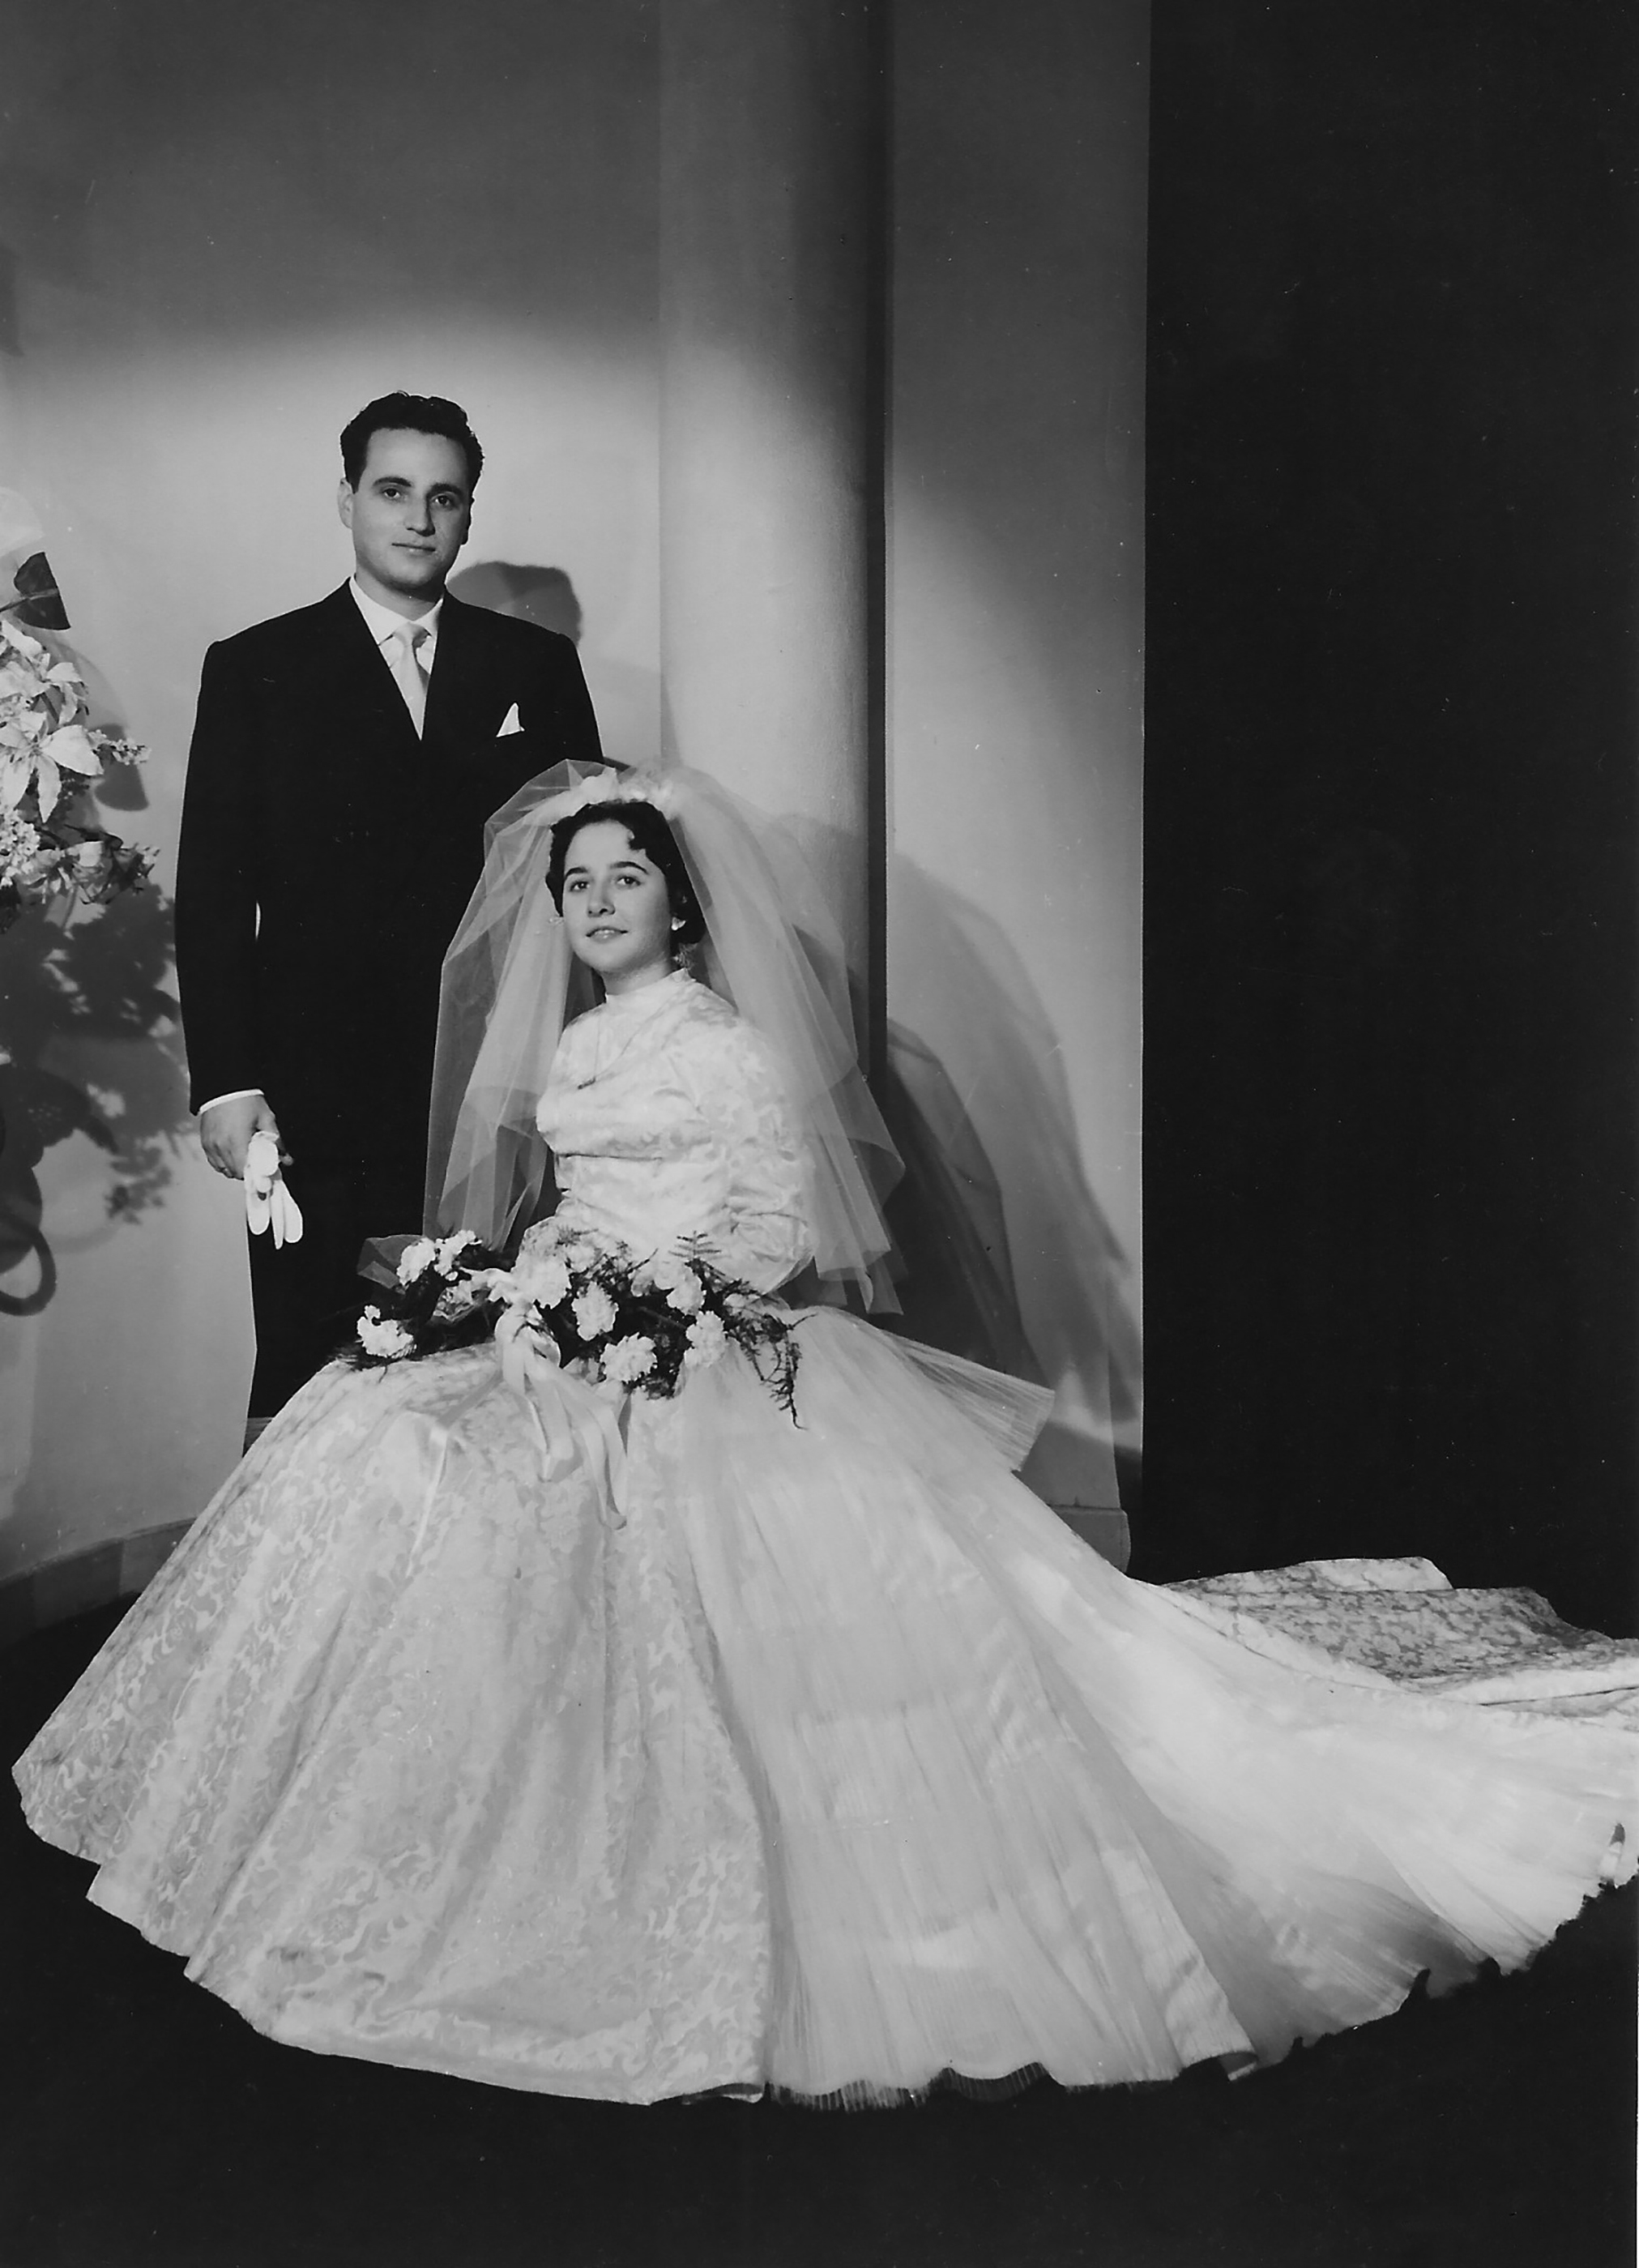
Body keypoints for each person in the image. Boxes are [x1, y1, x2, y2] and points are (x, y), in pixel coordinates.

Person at [17, 764, 1638, 2107]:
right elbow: (567, 1201)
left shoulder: (720, 1042)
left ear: (678, 903)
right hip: (580, 1324)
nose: (593, 902)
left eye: (624, 880)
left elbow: (776, 1232)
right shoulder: (575, 1044)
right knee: (354, 1440)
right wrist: (515, 1280)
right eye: (574, 880)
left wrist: (640, 1303)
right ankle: (310, 1830)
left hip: (706, 1355)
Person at [173, 391, 603, 1435]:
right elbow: (217, 886)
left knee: (488, 1358)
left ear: (468, 517)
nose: (418, 518)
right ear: (348, 499)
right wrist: (226, 1081)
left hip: (493, 1080)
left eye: (444, 498)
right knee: (310, 1359)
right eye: (393, 491)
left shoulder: (531, 667)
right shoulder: (256, 667)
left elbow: (584, 866)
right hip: (314, 1080)